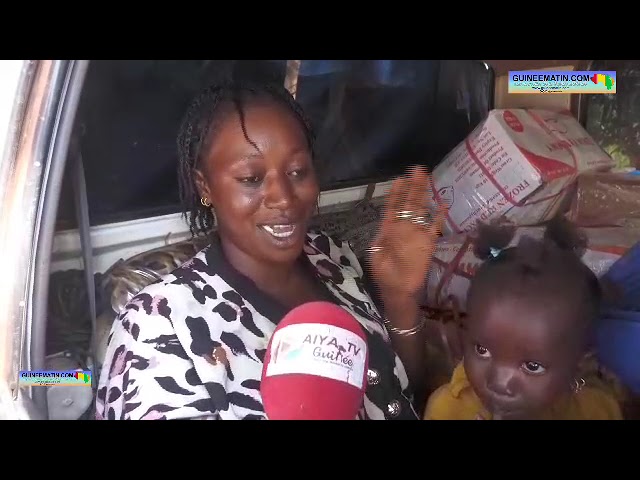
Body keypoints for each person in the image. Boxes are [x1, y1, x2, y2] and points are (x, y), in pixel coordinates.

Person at [95, 79, 446, 420]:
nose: (283, 198)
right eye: (251, 178)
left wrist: (400, 300)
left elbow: (399, 395)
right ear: (205, 185)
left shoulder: (331, 258)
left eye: (297, 171)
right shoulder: (157, 326)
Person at [423, 217, 623, 420]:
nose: (499, 383)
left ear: (579, 364)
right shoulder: (448, 410)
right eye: (482, 350)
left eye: (532, 366)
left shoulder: (596, 412)